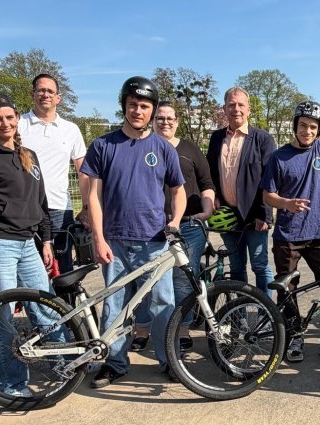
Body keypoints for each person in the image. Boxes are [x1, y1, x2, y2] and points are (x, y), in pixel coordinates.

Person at [80, 76, 186, 388]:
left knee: (163, 303)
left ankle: (170, 361)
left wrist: (175, 221)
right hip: (115, 242)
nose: (137, 111)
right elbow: (92, 198)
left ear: (152, 110)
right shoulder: (103, 146)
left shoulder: (162, 148)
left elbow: (178, 189)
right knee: (114, 306)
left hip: (154, 242)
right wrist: (99, 238)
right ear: (124, 107)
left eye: (144, 106)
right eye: (132, 105)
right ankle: (114, 363)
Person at [0, 93, 56, 397]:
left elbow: (40, 203)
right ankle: (9, 384)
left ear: (17, 118)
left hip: (28, 243)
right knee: (0, 317)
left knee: (47, 308)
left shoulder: (27, 155)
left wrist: (47, 240)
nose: (5, 123)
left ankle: (65, 362)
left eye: (9, 117)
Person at [262, 101, 320, 363]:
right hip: (287, 237)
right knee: (288, 290)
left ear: (319, 130)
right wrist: (286, 203)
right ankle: (293, 338)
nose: (308, 131)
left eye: (313, 127)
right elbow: (268, 196)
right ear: (295, 126)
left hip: (318, 235)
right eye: (303, 125)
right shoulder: (279, 157)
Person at [132, 101, 215, 353]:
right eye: (160, 118)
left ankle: (183, 328)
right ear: (152, 120)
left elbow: (206, 182)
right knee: (148, 279)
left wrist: (207, 210)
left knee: (182, 279)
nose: (164, 122)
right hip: (150, 227)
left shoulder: (189, 149)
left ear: (177, 121)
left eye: (170, 118)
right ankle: (143, 328)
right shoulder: (142, 146)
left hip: (188, 225)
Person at [206, 87, 276, 295]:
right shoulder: (216, 138)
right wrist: (215, 196)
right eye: (231, 105)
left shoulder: (263, 139)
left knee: (260, 267)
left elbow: (269, 179)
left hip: (255, 216)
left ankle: (266, 317)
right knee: (236, 269)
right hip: (227, 216)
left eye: (240, 105)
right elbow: (210, 172)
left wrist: (264, 213)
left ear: (249, 109)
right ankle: (240, 318)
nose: (236, 109)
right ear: (224, 109)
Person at [18, 73, 89, 273]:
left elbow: (83, 171)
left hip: (59, 208)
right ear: (32, 94)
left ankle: (64, 305)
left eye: (50, 91)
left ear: (58, 97)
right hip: (26, 209)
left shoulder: (71, 129)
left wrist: (86, 208)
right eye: (40, 90)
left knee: (62, 268)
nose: (45, 94)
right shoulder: (19, 125)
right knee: (31, 268)